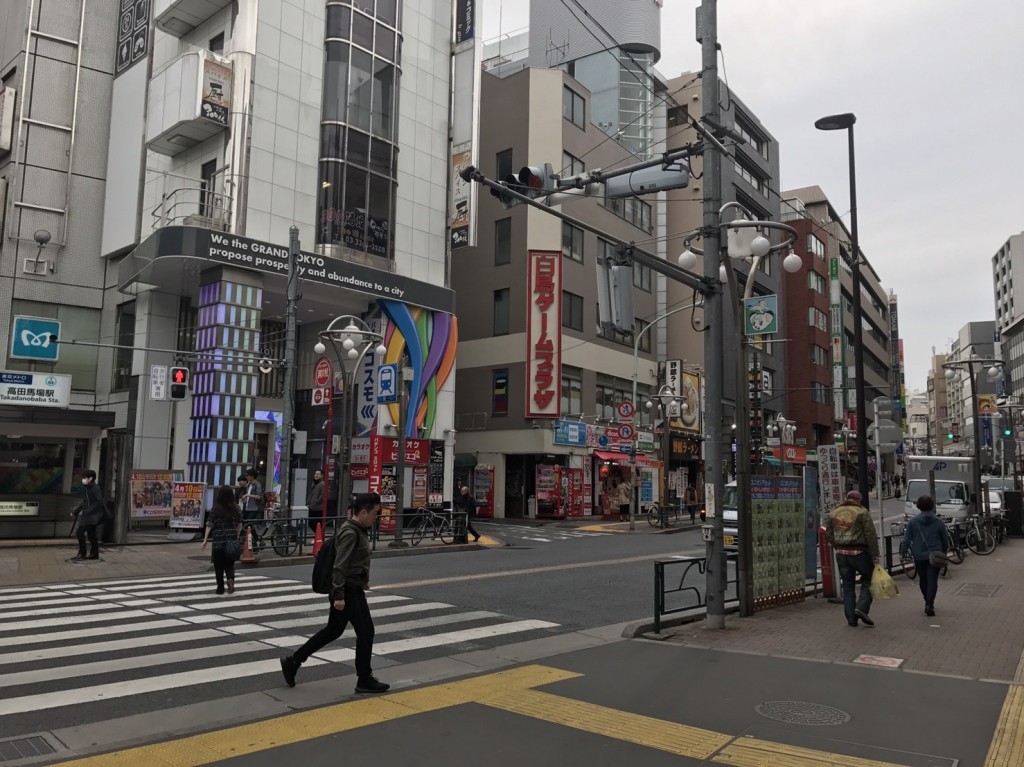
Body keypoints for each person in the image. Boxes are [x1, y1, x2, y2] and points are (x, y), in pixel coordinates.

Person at [280, 493, 390, 694]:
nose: (376, 517)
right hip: (347, 590)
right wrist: (339, 595)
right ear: (363, 512)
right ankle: (364, 679)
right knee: (366, 632)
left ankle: (293, 661)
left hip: (350, 587)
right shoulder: (351, 532)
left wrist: (362, 580)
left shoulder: (357, 529)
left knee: (333, 630)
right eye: (375, 513)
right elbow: (340, 566)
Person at [826, 490, 880, 627]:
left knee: (848, 585)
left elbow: (829, 534)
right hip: (859, 552)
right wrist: (874, 554)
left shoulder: (834, 513)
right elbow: (870, 534)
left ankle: (851, 619)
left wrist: (837, 546)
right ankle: (861, 607)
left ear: (847, 498)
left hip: (841, 554)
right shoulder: (862, 512)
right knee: (869, 579)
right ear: (859, 500)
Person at [900, 494, 952, 617]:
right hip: (935, 555)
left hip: (919, 555)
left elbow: (906, 539)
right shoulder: (938, 522)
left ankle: (927, 600)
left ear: (918, 506)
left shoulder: (913, 522)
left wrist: (903, 552)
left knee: (923, 580)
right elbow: (945, 540)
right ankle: (930, 603)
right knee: (933, 580)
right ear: (932, 507)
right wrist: (944, 551)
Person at [201, 485, 243, 594]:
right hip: (231, 540)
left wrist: (205, 539)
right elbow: (239, 524)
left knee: (218, 566)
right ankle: (230, 579)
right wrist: (236, 536)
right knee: (229, 565)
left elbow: (210, 524)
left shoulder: (216, 508)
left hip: (218, 542)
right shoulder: (236, 508)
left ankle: (220, 588)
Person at [70, 470, 105, 562]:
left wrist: (88, 511)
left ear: (91, 478)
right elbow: (84, 502)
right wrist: (76, 511)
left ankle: (82, 553)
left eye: (85, 478)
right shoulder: (87, 488)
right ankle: (94, 554)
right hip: (88, 515)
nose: (83, 479)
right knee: (91, 535)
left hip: (92, 516)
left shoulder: (95, 488)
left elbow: (99, 502)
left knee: (80, 533)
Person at [306, 469, 325, 534]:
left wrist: (317, 501)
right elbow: (311, 494)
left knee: (316, 523)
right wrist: (308, 502)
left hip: (318, 508)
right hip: (312, 507)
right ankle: (317, 535)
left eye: (317, 474)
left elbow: (323, 495)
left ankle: (318, 535)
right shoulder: (314, 483)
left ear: (322, 476)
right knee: (311, 523)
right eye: (315, 474)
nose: (316, 475)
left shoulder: (322, 484)